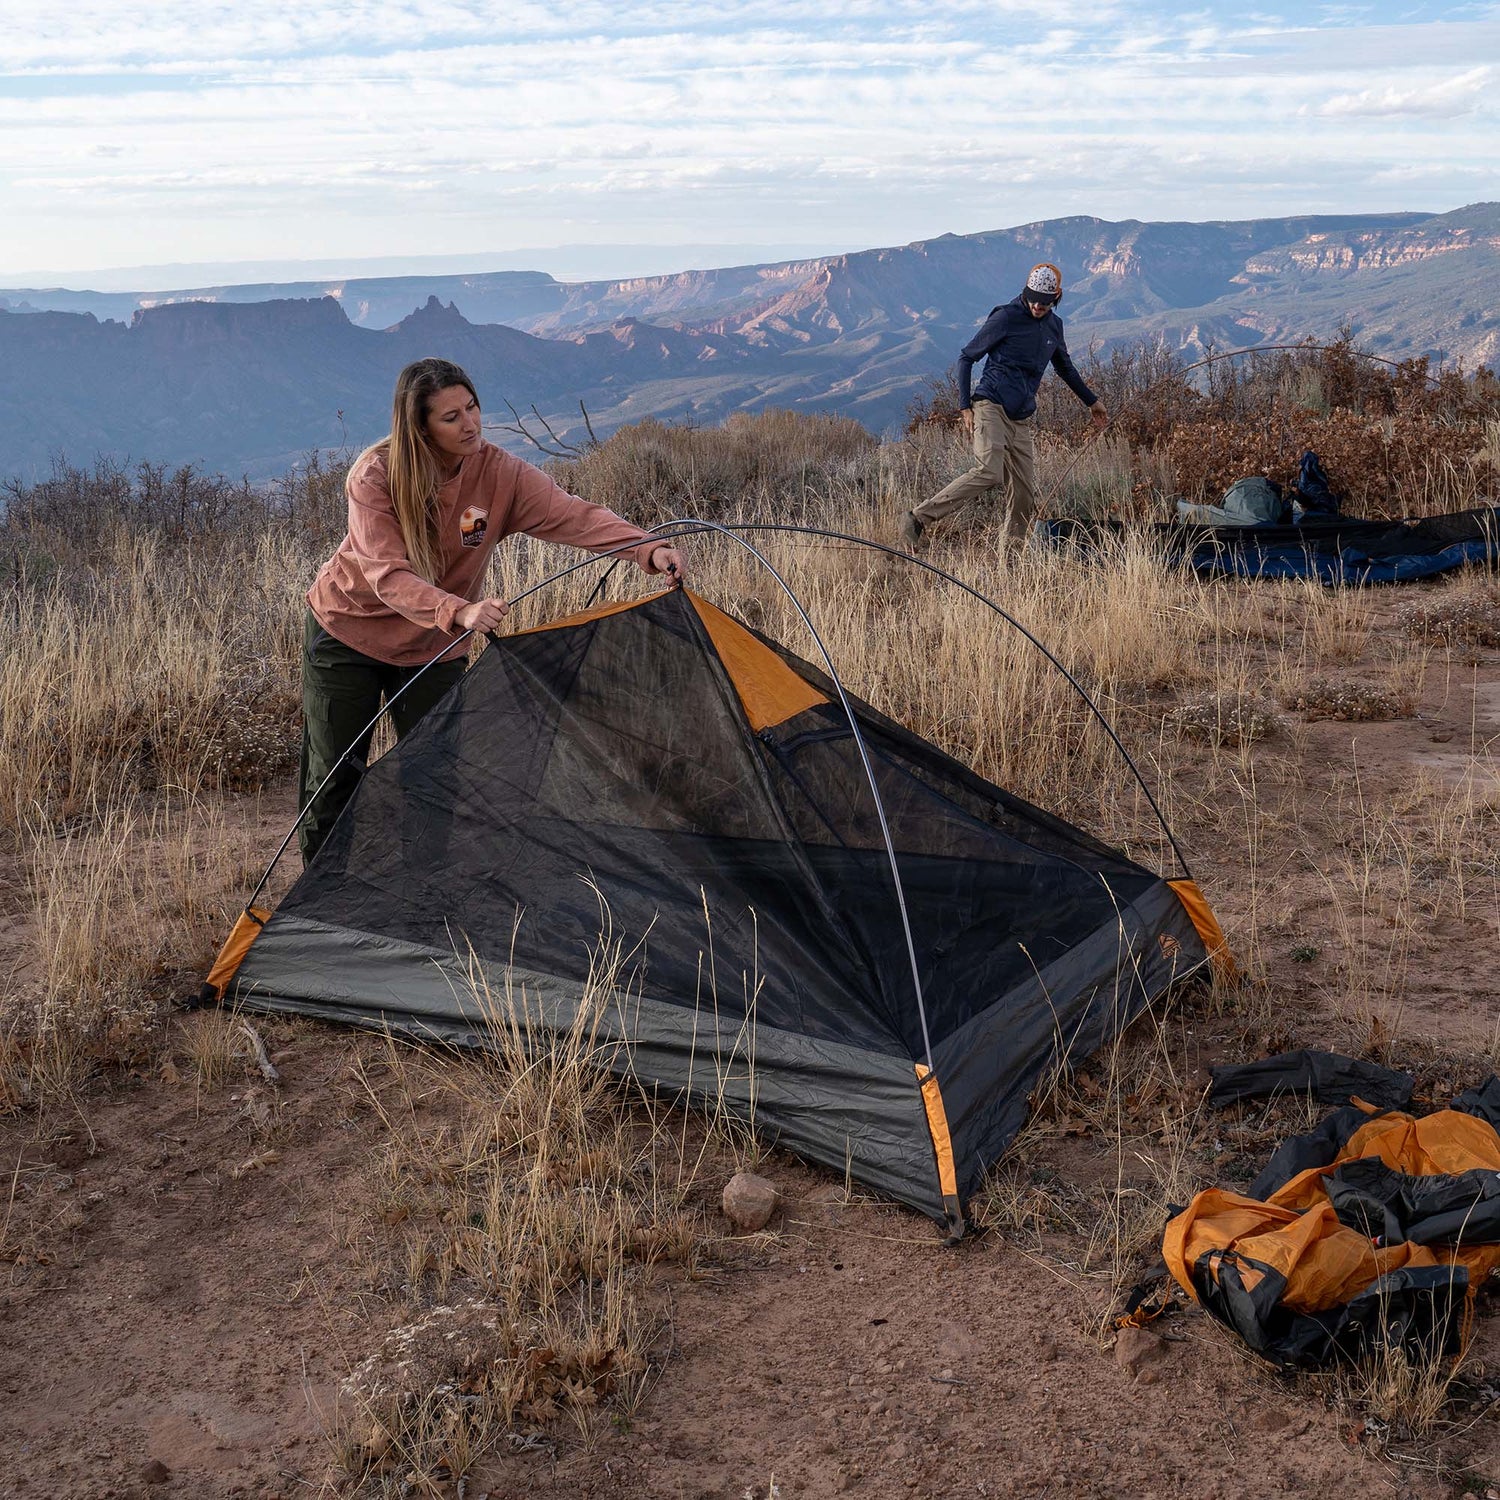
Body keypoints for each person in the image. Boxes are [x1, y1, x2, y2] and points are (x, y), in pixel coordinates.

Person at [298, 356, 686, 864]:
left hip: (433, 646)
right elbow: (386, 576)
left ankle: (423, 896)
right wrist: (457, 611)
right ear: (419, 427)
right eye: (451, 416)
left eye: (472, 406)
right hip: (347, 633)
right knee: (335, 774)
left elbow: (571, 515)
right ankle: (319, 900)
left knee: (435, 771)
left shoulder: (499, 472)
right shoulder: (375, 476)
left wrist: (645, 549)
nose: (471, 423)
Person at [899, 262, 1108, 550]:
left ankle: (1009, 558)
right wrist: (965, 407)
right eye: (1033, 298)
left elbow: (1066, 368)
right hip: (991, 405)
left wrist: (1092, 402)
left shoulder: (1054, 327)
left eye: (1045, 302)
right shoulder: (1006, 317)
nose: (1037, 305)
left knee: (1024, 493)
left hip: (1020, 416)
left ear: (1056, 298)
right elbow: (966, 358)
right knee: (989, 471)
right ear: (1026, 292)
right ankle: (918, 517)